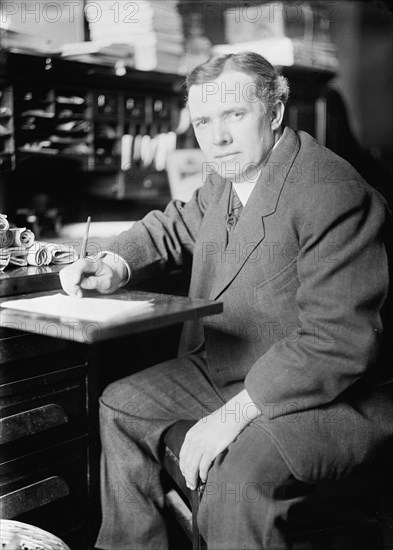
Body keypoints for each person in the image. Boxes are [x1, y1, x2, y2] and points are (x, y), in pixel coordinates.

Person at [60, 52, 393, 550]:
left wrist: (229, 417)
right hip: (237, 366)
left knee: (238, 486)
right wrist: (113, 262)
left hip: (329, 393)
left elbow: (338, 341)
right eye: (203, 122)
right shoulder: (227, 174)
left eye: (235, 115)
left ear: (275, 112)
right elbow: (177, 223)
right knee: (119, 405)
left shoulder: (332, 191)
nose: (216, 137)